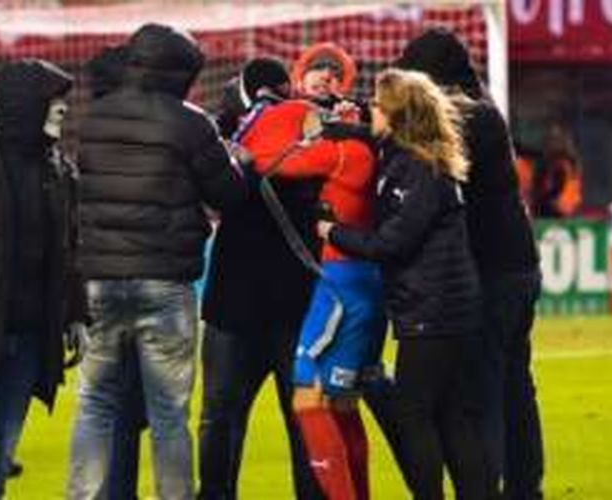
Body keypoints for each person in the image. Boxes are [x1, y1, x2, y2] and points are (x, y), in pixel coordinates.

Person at [67, 24, 246, 500]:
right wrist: (240, 164)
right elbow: (227, 196)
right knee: (169, 413)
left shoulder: (94, 117)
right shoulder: (190, 122)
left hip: (100, 281)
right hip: (164, 283)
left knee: (95, 404)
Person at [317, 68, 495, 500]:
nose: (369, 111)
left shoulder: (416, 168)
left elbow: (393, 243)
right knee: (453, 414)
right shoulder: (410, 157)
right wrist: (334, 124)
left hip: (433, 310)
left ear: (396, 115)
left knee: (415, 413)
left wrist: (331, 232)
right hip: (446, 306)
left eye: (377, 105)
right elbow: (366, 133)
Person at [396, 28, 544, 500]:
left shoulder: (467, 117)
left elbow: (431, 155)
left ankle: (492, 487)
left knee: (483, 390)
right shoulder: (484, 111)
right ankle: (524, 488)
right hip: (518, 264)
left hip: (491, 272)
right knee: (515, 385)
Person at [239, 75, 387, 498]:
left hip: (341, 287)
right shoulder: (368, 151)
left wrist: (275, 125)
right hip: (363, 284)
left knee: (306, 398)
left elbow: (270, 160)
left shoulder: (346, 153)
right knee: (341, 402)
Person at [0, 59, 82, 499]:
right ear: (26, 106)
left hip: (27, 338)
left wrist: (74, 313)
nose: (62, 109)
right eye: (53, 100)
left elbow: (68, 251)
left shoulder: (58, 170)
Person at [197, 57, 324, 500]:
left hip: (237, 303)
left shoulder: (227, 138)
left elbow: (213, 195)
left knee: (221, 417)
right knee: (303, 421)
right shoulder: (310, 134)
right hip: (294, 302)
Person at [84, 44, 149, 500]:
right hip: (131, 282)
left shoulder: (94, 131)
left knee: (117, 406)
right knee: (125, 408)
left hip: (104, 281)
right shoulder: (134, 132)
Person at [535, 124, 582, 218]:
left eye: (557, 139)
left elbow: (568, 198)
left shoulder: (567, 165)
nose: (554, 143)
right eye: (552, 139)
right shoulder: (543, 165)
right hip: (548, 214)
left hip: (562, 215)